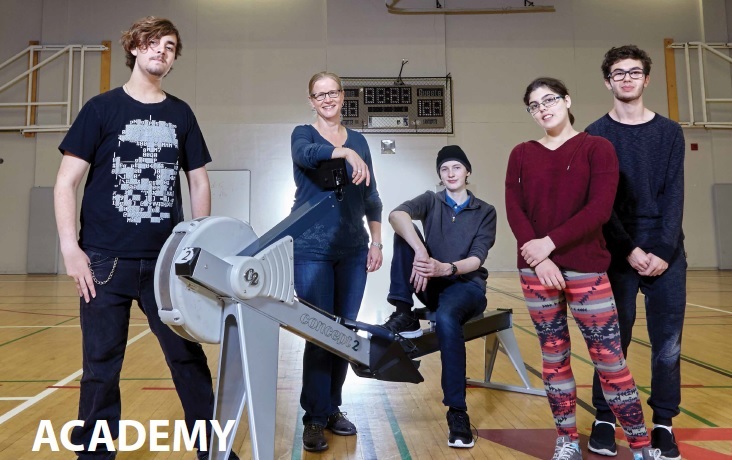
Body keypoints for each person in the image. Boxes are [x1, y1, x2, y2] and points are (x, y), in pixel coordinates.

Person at [54, 17, 237, 460]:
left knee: (188, 361)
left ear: (174, 60)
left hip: (166, 263)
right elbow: (66, 183)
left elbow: (198, 181)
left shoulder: (180, 114)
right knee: (100, 367)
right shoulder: (101, 109)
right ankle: (95, 455)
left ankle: (211, 451)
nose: (161, 51)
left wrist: (199, 240)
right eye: (153, 43)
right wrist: (70, 249)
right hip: (103, 262)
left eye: (170, 47)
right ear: (135, 48)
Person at [505, 77, 661, 460]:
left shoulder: (597, 147)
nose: (543, 108)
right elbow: (514, 208)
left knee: (610, 359)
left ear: (567, 100)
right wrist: (539, 258)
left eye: (550, 99)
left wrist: (550, 244)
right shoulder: (522, 152)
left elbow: (599, 209)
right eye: (534, 104)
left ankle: (642, 446)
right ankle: (567, 439)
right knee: (554, 358)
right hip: (535, 271)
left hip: (586, 269)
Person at [586, 45, 686, 460]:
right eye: (618, 73)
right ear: (608, 81)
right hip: (617, 251)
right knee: (612, 341)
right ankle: (605, 418)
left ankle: (662, 422)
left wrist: (663, 249)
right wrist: (628, 249)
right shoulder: (594, 135)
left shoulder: (669, 132)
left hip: (666, 251)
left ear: (646, 79)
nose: (626, 78)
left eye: (635, 72)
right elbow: (600, 203)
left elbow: (674, 193)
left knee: (668, 344)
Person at [290, 71, 383, 453]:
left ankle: (331, 409)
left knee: (343, 334)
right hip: (311, 249)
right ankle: (313, 417)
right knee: (320, 331)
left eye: (332, 92)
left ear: (342, 96)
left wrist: (376, 241)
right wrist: (342, 152)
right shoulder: (303, 133)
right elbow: (305, 156)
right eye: (319, 94)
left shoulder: (360, 139)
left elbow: (372, 196)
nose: (326, 99)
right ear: (311, 101)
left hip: (353, 250)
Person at [381, 145, 496, 449]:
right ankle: (404, 312)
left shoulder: (485, 211)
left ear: (467, 171)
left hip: (466, 286)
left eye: (456, 167)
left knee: (446, 318)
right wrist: (420, 249)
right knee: (403, 232)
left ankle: (457, 412)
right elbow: (396, 214)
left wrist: (446, 268)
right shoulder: (431, 201)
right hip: (430, 280)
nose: (450, 174)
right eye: (444, 169)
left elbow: (477, 259)